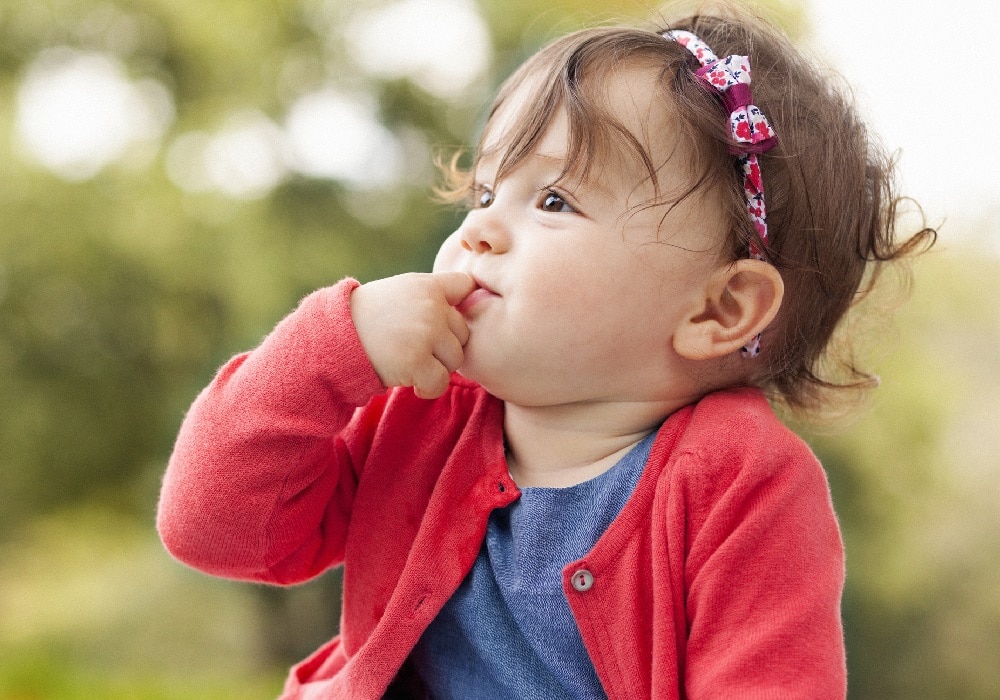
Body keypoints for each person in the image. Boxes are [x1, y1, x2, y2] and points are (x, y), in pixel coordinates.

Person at [157, 3, 934, 698]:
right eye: (487, 193)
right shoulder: (422, 415)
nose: (478, 231)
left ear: (720, 308)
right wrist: (335, 344)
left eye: (554, 201)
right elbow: (211, 528)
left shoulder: (741, 486)